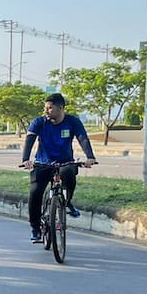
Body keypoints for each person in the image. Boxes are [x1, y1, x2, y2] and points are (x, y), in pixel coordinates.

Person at [21, 93, 98, 243]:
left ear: (61, 108)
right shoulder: (39, 122)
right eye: (45, 108)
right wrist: (26, 160)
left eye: (50, 108)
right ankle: (35, 228)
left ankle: (67, 201)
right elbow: (29, 140)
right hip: (43, 163)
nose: (46, 111)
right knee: (35, 192)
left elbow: (82, 138)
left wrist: (90, 157)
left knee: (69, 175)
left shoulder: (72, 122)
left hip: (65, 162)